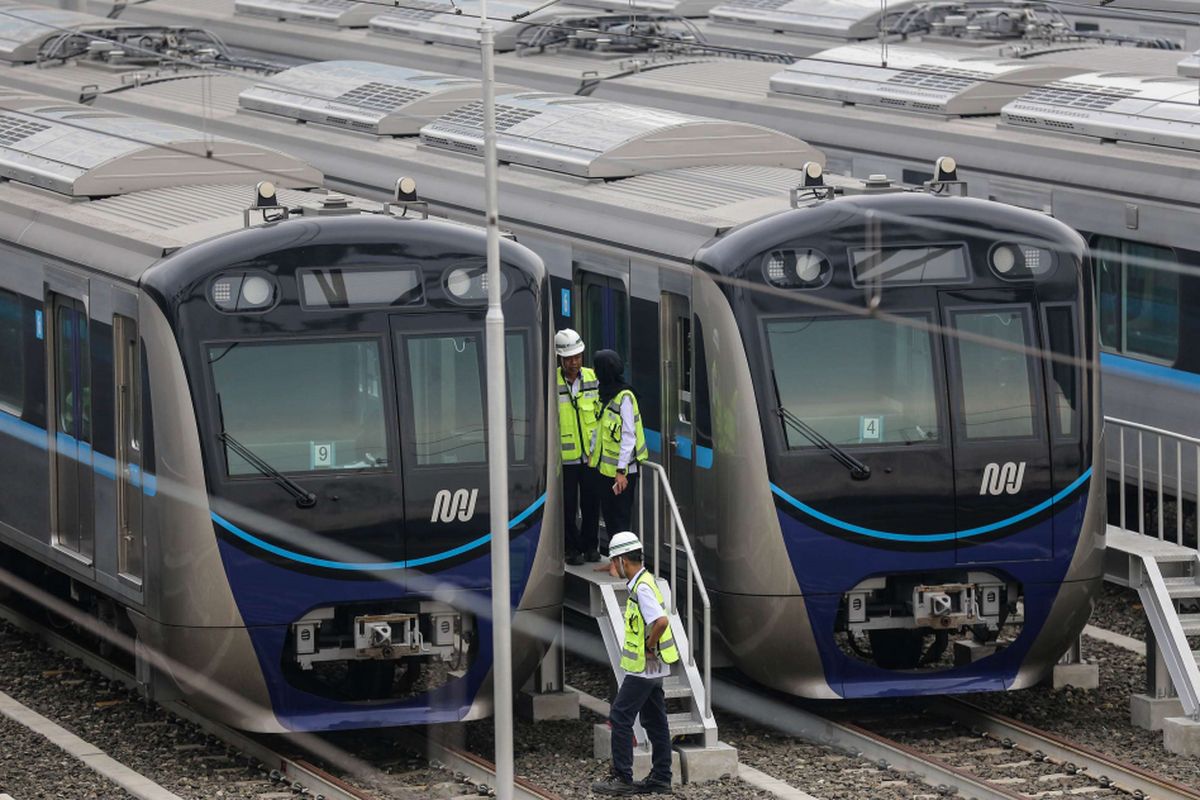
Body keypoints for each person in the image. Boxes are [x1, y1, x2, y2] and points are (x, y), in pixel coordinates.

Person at [591, 531, 677, 796]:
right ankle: (662, 777)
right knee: (655, 719)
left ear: (622, 561)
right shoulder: (646, 581)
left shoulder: (641, 588)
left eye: (613, 561)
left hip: (645, 667)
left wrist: (649, 647)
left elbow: (660, 621)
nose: (611, 567)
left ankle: (622, 777)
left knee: (620, 715)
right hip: (653, 669)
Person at [555, 328, 602, 565]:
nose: (574, 362)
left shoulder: (593, 378)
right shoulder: (551, 382)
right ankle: (571, 549)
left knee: (592, 503)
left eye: (578, 357)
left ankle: (591, 546)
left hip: (591, 456)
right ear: (560, 358)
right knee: (568, 506)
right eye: (570, 358)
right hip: (565, 459)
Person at [589, 350, 648, 537]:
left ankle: (621, 563)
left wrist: (621, 471)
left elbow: (629, 436)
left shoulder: (625, 397)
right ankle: (615, 563)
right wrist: (592, 452)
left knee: (621, 518)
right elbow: (598, 426)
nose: (594, 371)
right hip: (604, 470)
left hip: (622, 473)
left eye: (597, 368)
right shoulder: (603, 393)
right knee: (609, 516)